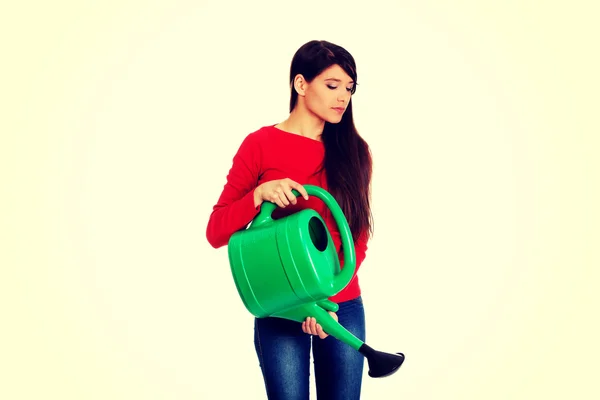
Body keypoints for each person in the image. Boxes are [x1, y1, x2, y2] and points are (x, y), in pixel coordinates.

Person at [206, 40, 373, 400]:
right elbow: (216, 231)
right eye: (332, 86)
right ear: (300, 84)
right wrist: (258, 195)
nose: (342, 97)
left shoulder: (355, 151)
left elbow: (357, 236)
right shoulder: (260, 144)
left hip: (340, 304)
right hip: (281, 306)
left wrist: (323, 297)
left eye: (349, 88)